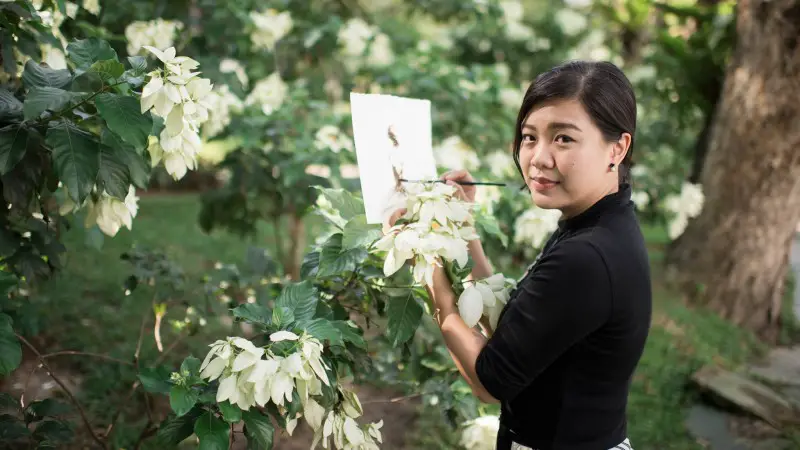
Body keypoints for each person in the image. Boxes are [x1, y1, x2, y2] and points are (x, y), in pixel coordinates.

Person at [385, 60, 652, 449]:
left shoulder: (588, 257)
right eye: (530, 137)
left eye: (563, 139)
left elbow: (490, 380)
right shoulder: (598, 227)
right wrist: (462, 226)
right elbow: (513, 326)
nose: (539, 157)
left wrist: (428, 266)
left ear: (617, 148)